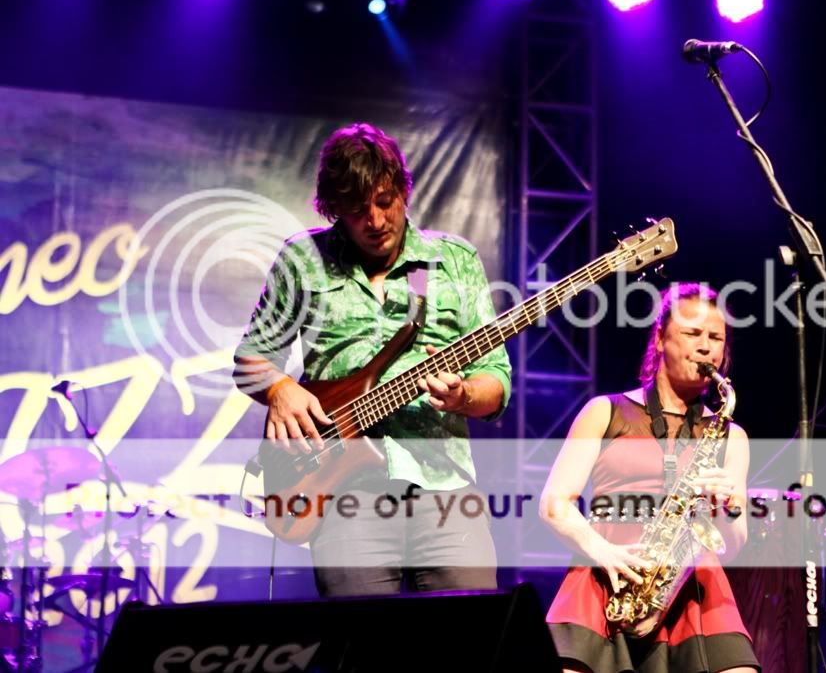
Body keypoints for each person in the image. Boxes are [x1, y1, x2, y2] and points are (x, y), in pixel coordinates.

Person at [233, 122, 512, 597]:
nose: (376, 220)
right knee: (360, 638)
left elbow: (496, 378)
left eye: (385, 201)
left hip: (444, 486)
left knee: (470, 632)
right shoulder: (303, 259)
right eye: (357, 210)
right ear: (334, 209)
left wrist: (464, 394)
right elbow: (250, 359)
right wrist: (280, 390)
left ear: (403, 190)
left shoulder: (455, 260)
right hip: (341, 492)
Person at [539, 283, 759, 673]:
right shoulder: (605, 411)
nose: (706, 347)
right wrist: (601, 550)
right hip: (605, 580)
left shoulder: (732, 436)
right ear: (660, 339)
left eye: (716, 338)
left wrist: (727, 507)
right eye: (692, 333)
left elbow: (734, 544)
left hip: (694, 592)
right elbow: (555, 504)